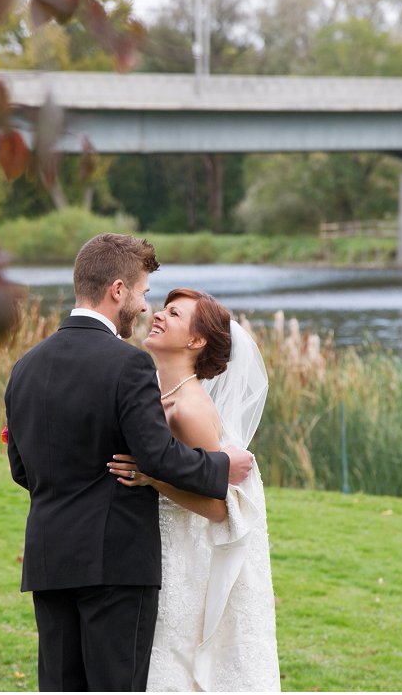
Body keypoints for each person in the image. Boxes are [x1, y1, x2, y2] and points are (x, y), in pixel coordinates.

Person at [4, 233, 255, 692]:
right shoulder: (128, 365)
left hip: (49, 558)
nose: (144, 307)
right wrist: (222, 469)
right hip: (116, 566)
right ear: (117, 290)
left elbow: (22, 469)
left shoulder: (26, 366)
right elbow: (156, 455)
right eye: (141, 293)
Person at [108, 288, 281, 691]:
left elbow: (219, 508)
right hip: (156, 549)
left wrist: (154, 478)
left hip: (186, 559)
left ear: (196, 341)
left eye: (174, 314)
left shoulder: (191, 408)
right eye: (163, 309)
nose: (159, 317)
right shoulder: (154, 393)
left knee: (176, 664)